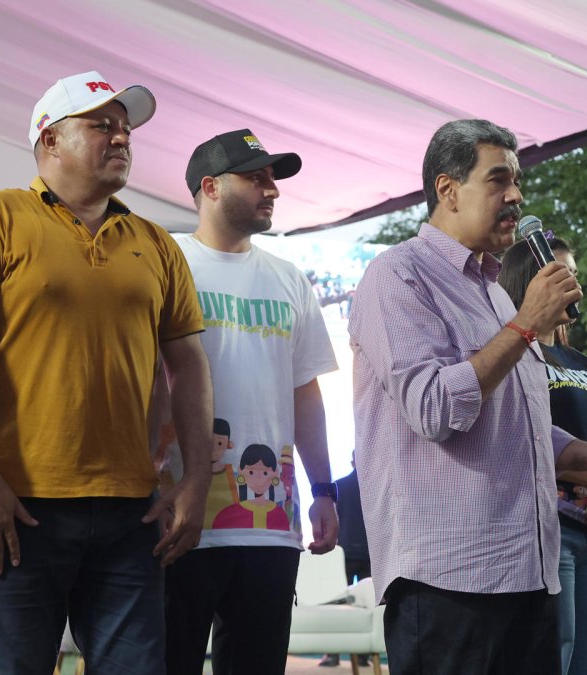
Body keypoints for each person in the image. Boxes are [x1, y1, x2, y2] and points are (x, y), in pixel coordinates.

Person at [348, 118, 587, 675]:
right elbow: (434, 407)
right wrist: (528, 323)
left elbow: (522, 424)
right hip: (448, 579)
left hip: (528, 573)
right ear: (448, 190)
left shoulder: (496, 298)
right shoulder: (398, 276)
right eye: (498, 180)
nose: (516, 196)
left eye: (518, 182)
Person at [0, 71, 212, 674]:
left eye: (126, 129)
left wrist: (196, 480)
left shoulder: (156, 243)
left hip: (133, 507)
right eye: (101, 126)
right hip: (16, 503)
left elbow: (188, 366)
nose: (121, 138)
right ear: (49, 140)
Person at [162, 129, 339, 675]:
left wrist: (324, 490)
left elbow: (305, 391)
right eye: (256, 177)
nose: (273, 189)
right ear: (210, 186)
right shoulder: (165, 261)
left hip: (270, 523)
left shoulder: (288, 279)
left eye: (273, 178)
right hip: (174, 516)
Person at [498, 236, 587, 674]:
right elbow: (519, 437)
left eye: (575, 273)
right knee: (558, 649)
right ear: (529, 281)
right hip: (548, 524)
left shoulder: (582, 361)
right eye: (562, 272)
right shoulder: (514, 354)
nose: (574, 283)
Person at [320, 453, 371, 668]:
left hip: (343, 552)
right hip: (370, 554)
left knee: (337, 602)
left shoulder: (338, 486)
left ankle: (332, 655)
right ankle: (363, 655)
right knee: (367, 604)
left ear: (352, 461)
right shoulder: (375, 486)